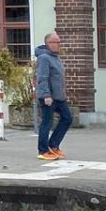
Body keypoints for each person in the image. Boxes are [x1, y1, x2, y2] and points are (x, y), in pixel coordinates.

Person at [35, 31, 73, 160]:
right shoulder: (44, 58)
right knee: (47, 122)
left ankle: (53, 145)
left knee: (67, 118)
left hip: (58, 96)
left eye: (59, 42)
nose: (59, 44)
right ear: (48, 43)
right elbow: (42, 77)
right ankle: (43, 150)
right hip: (48, 96)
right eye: (56, 42)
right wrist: (46, 95)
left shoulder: (55, 57)